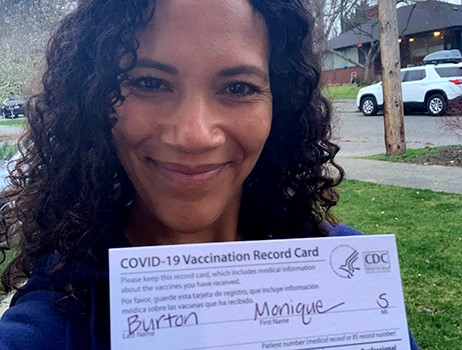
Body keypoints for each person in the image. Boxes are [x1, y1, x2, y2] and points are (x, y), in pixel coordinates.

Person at [0, 0, 419, 349]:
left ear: (281, 107)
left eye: (238, 88)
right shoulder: (53, 323)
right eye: (149, 82)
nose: (194, 135)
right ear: (91, 100)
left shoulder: (348, 278)